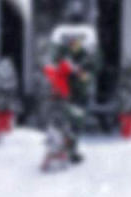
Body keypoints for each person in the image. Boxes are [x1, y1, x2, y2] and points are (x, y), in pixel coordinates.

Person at [40, 4, 99, 169]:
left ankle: (71, 149)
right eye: (72, 40)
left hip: (79, 91)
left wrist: (82, 73)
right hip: (62, 92)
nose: (74, 42)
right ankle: (59, 148)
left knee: (76, 120)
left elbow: (93, 66)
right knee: (60, 119)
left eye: (77, 40)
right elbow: (52, 63)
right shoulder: (60, 47)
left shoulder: (87, 50)